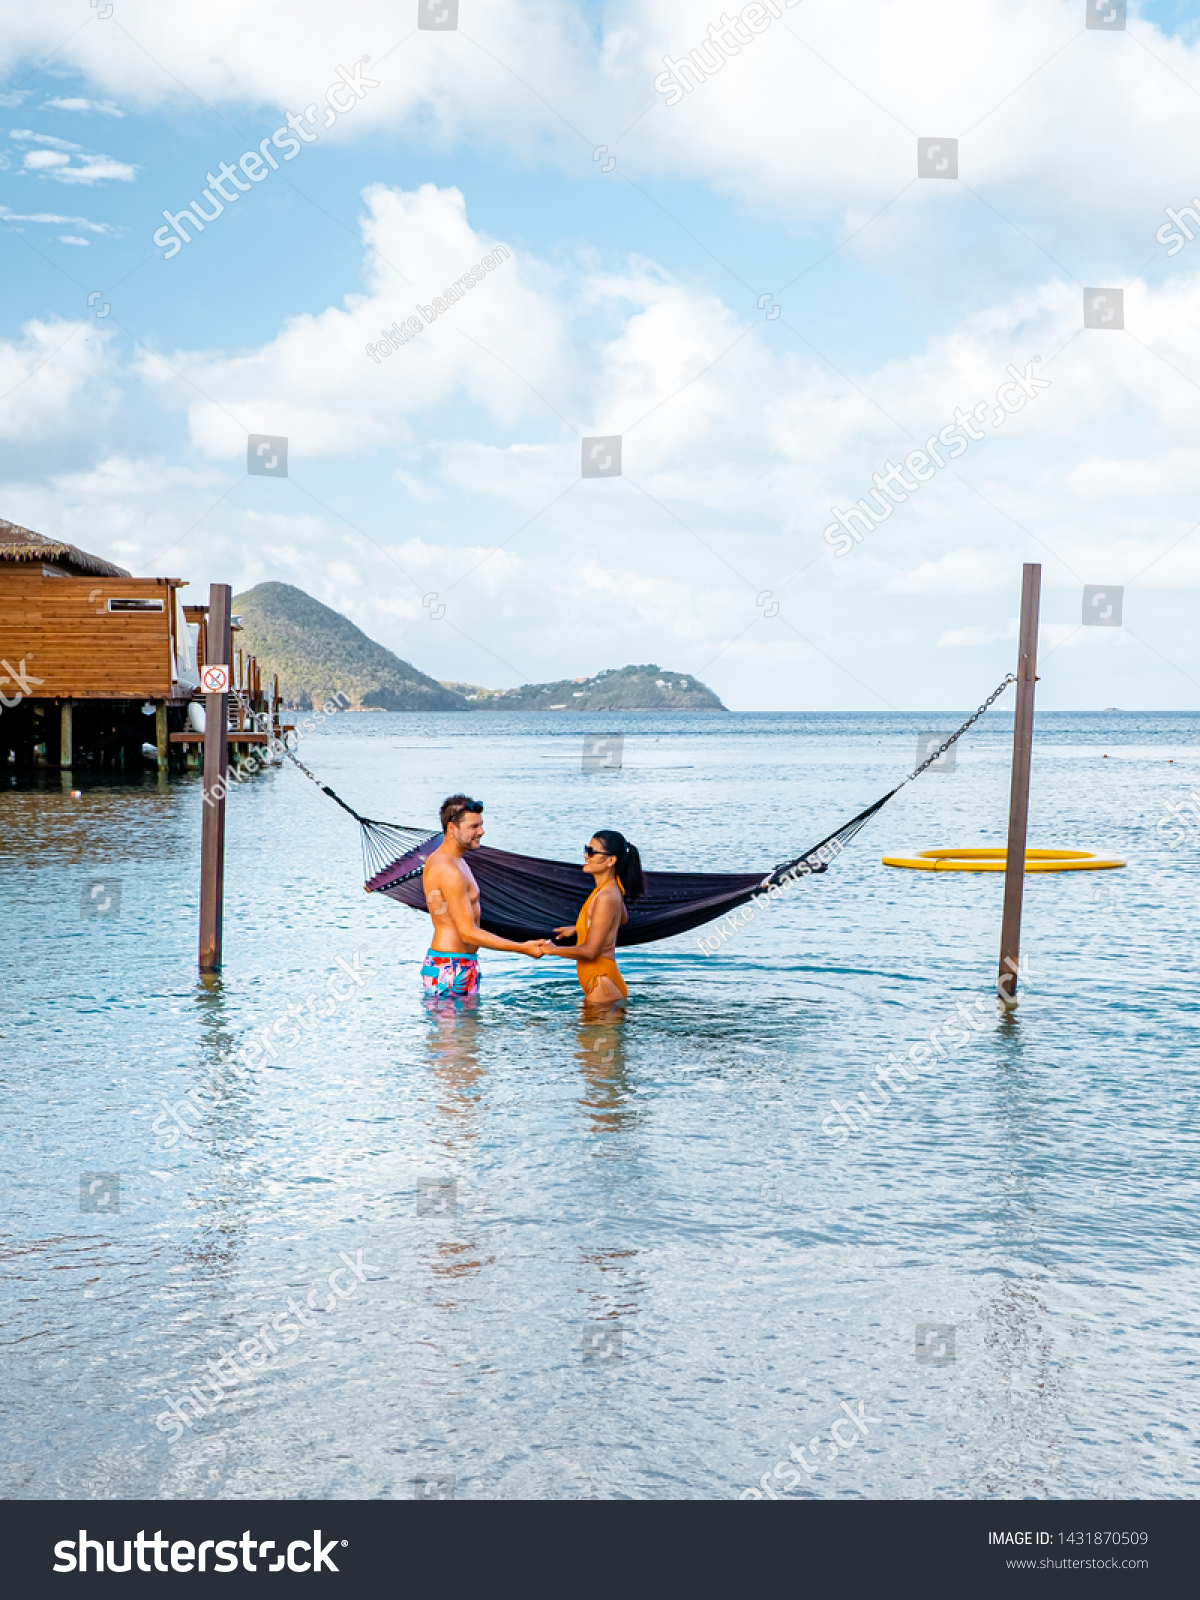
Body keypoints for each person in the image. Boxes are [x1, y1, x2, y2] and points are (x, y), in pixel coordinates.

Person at [421, 795, 543, 1002]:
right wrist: (522, 947)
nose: (481, 832)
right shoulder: (448, 870)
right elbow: (468, 933)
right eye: (474, 826)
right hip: (451, 967)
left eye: (481, 825)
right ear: (452, 828)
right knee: (456, 1035)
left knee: (466, 1034)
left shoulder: (454, 860)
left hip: (458, 963)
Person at [537, 830, 644, 1006]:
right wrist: (581, 926)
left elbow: (590, 951)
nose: (586, 856)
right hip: (601, 984)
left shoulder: (606, 897)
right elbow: (622, 919)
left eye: (592, 852)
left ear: (611, 860)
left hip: (602, 986)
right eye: (586, 849)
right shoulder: (610, 889)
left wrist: (551, 949)